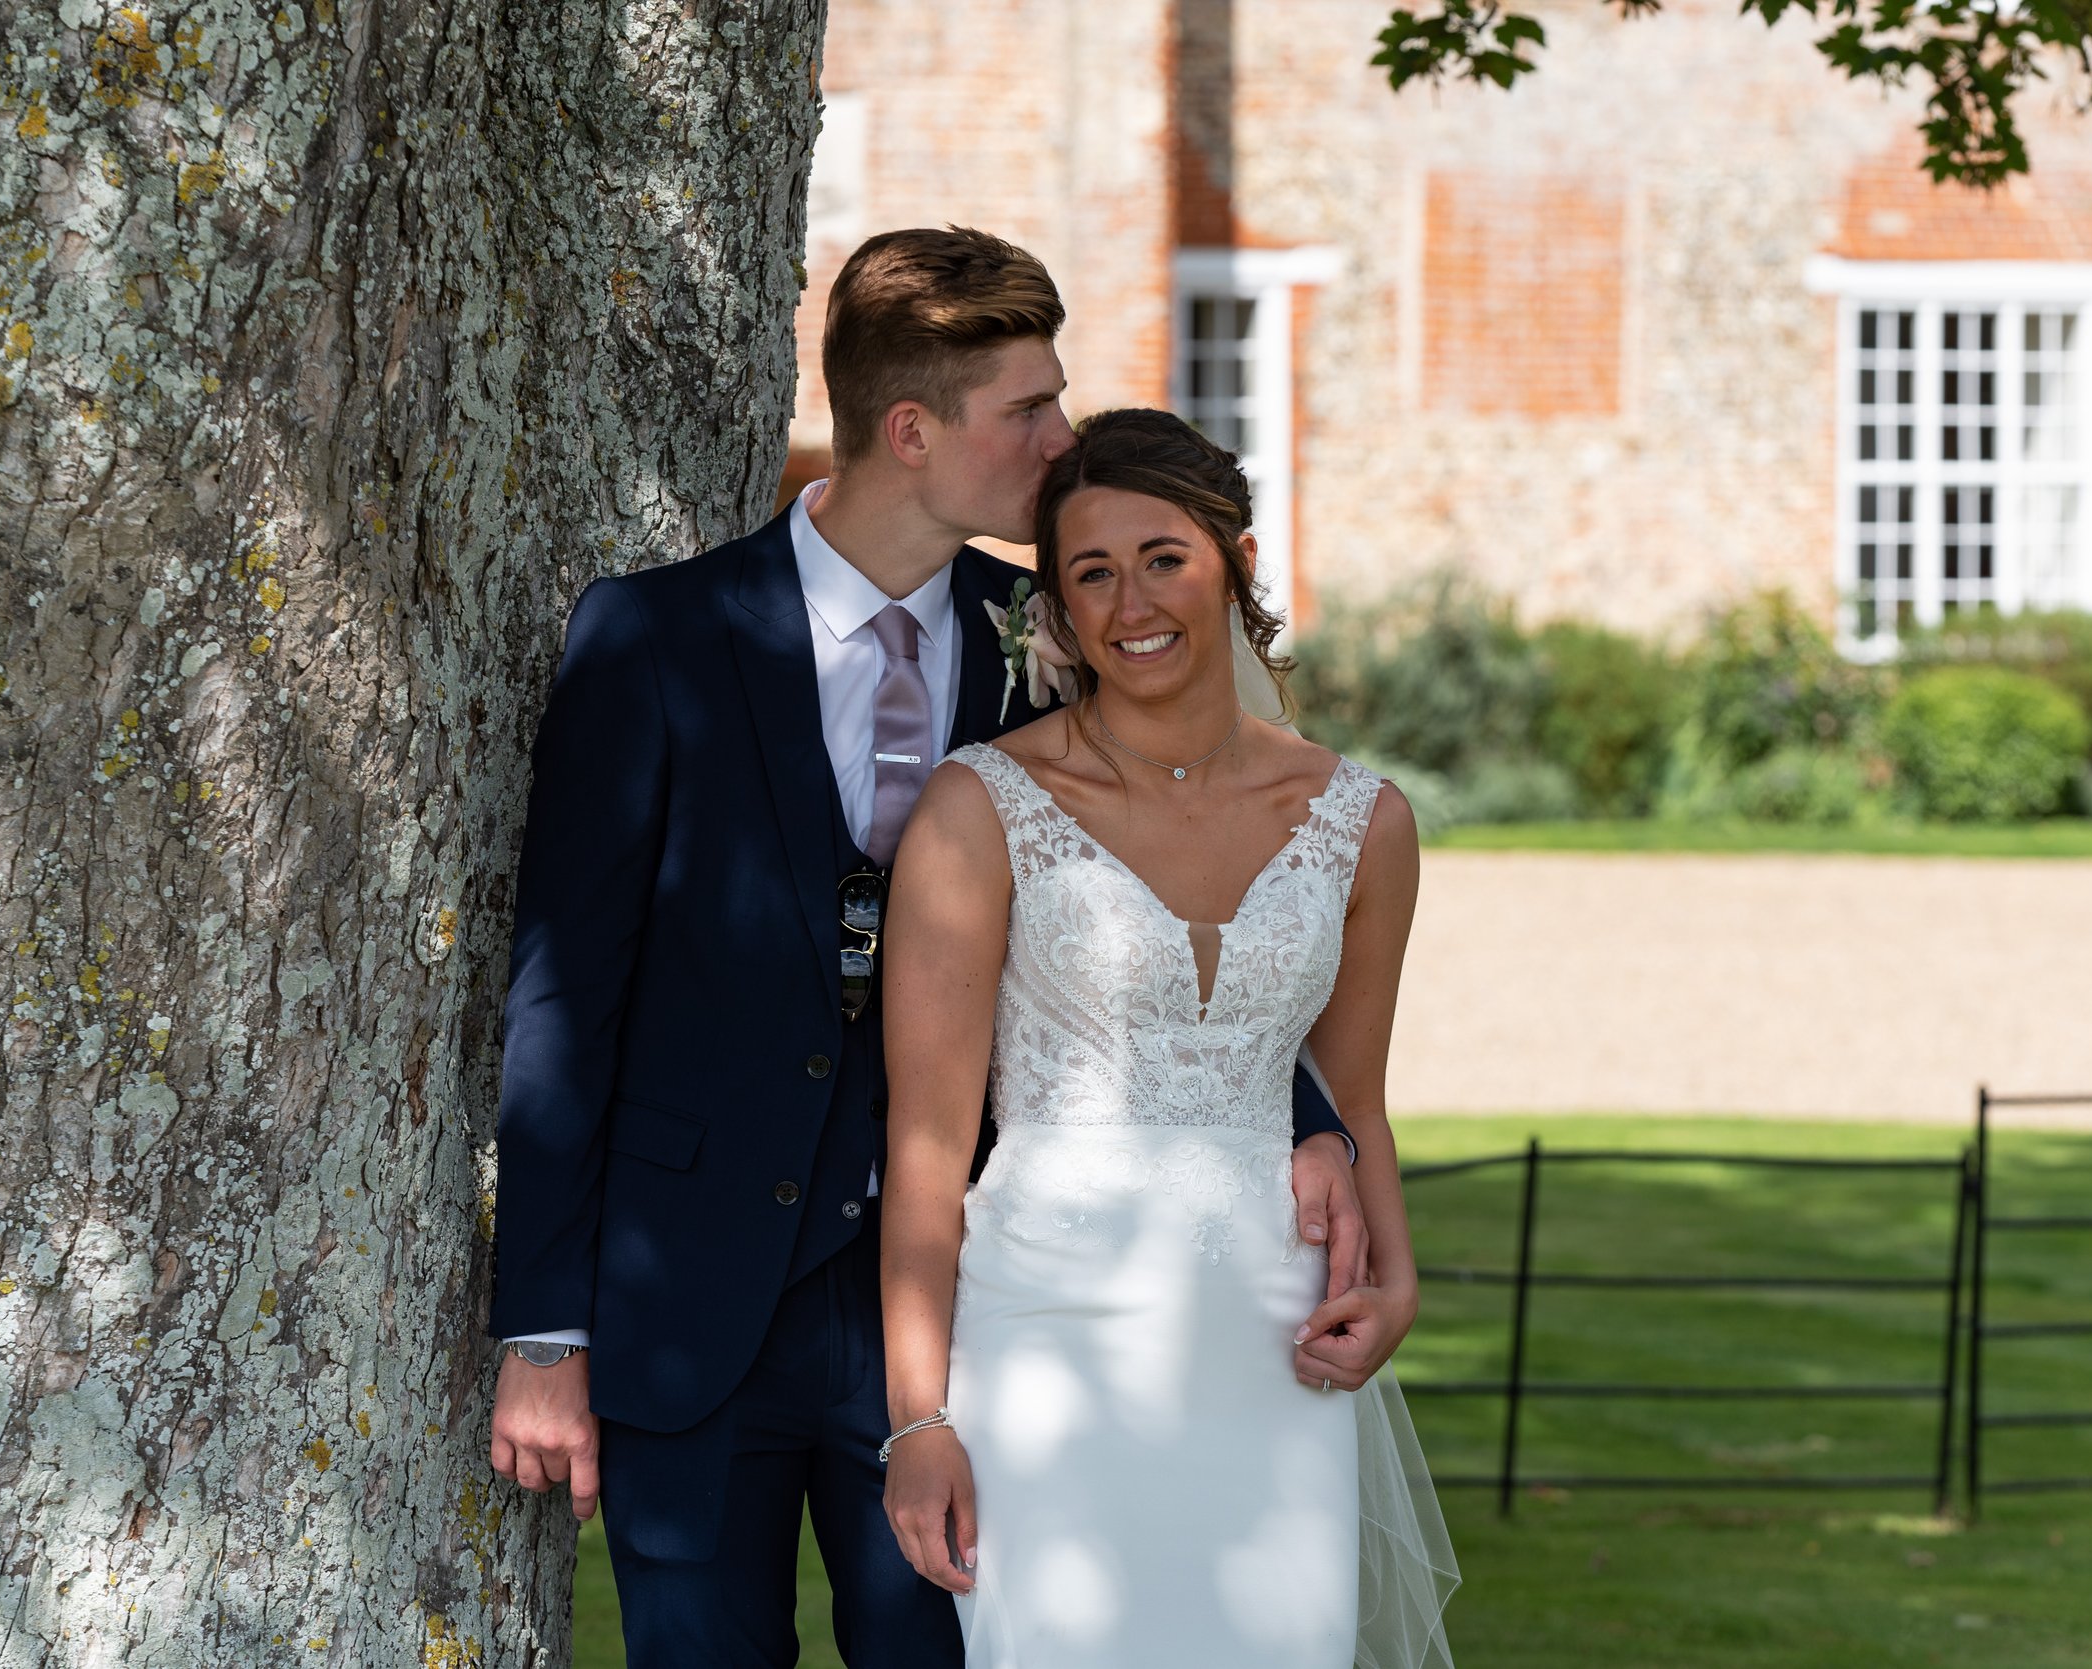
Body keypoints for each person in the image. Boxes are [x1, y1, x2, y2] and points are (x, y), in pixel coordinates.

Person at [483, 228, 1386, 1665]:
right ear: (915, 430)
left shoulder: (1056, 627)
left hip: (974, 1315)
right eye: (1030, 410)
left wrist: (1307, 1119)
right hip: (689, 1306)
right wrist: (542, 1331)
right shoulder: (658, 638)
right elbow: (563, 1000)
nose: (1062, 438)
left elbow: (1179, 892)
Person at [877, 408, 1455, 1667]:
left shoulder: (1364, 821)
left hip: (1269, 1339)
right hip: (1044, 1338)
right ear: (1060, 613)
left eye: (1162, 557)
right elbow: (925, 1148)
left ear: (1235, 561)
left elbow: (1353, 1096)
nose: (1131, 600)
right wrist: (916, 1419)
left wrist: (1394, 1277)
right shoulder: (984, 807)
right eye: (1090, 573)